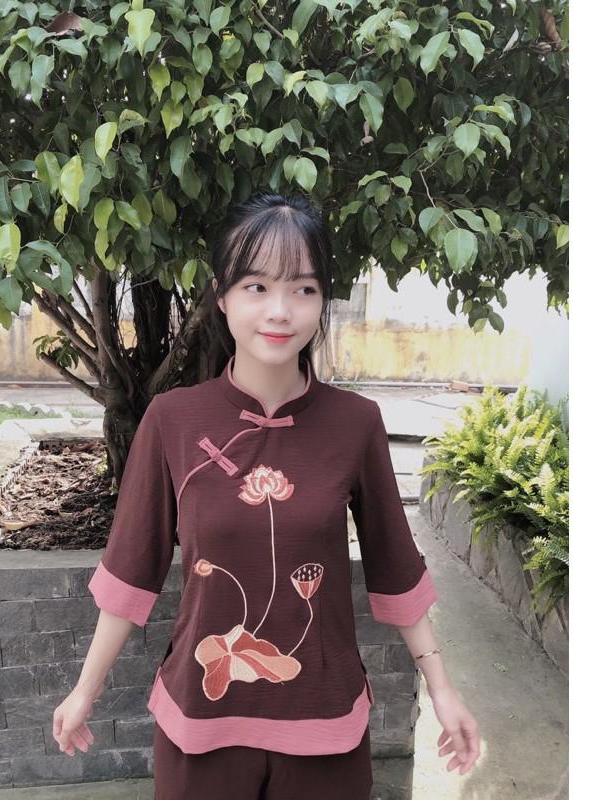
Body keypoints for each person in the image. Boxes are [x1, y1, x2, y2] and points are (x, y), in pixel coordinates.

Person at [52, 192, 479, 797]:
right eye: (256, 286)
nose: (280, 311)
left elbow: (395, 567)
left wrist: (443, 690)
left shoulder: (355, 423)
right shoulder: (173, 420)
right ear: (222, 296)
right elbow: (131, 569)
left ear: (322, 301)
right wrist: (84, 690)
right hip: (202, 722)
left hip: (324, 724)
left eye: (303, 289)